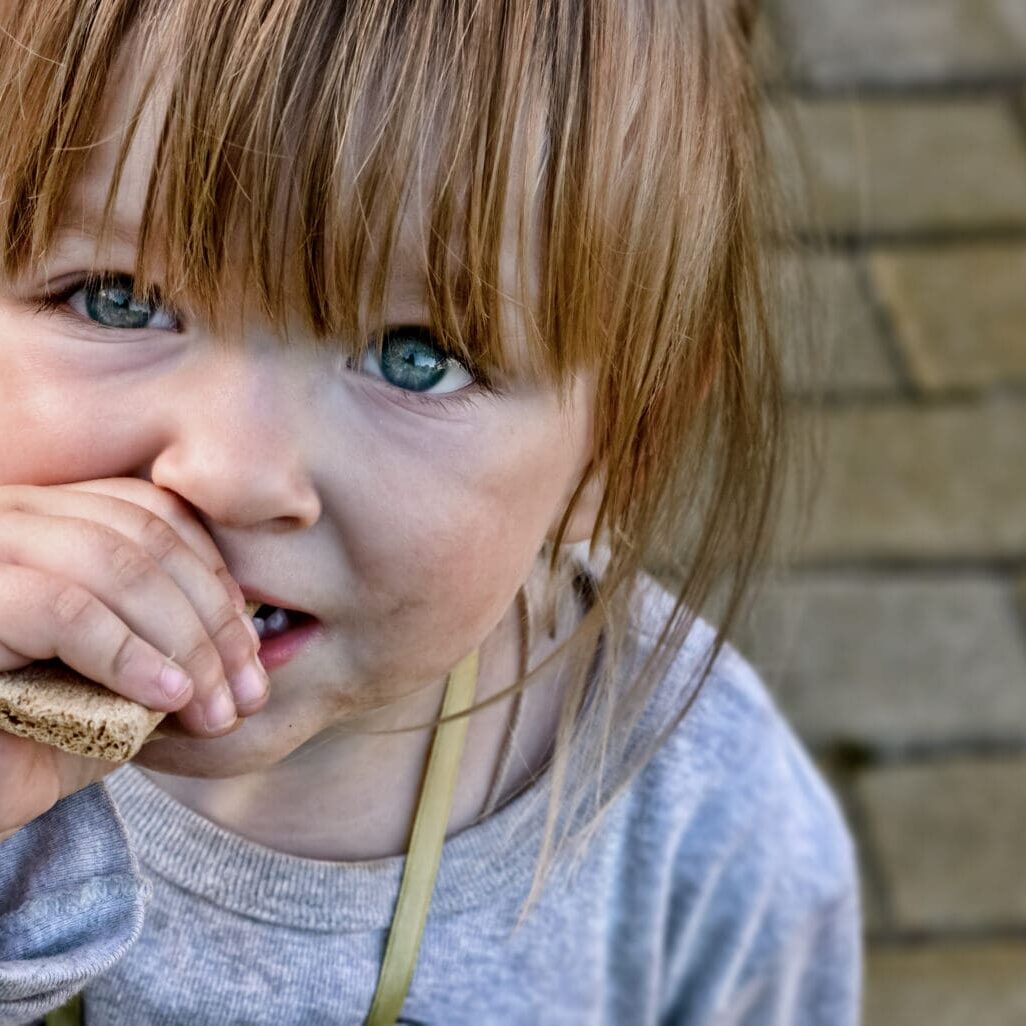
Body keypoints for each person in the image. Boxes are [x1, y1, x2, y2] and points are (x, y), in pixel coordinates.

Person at [0, 1, 860, 1024]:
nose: (229, 471)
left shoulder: (708, 828)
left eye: (418, 356)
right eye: (115, 299)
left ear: (621, 449)